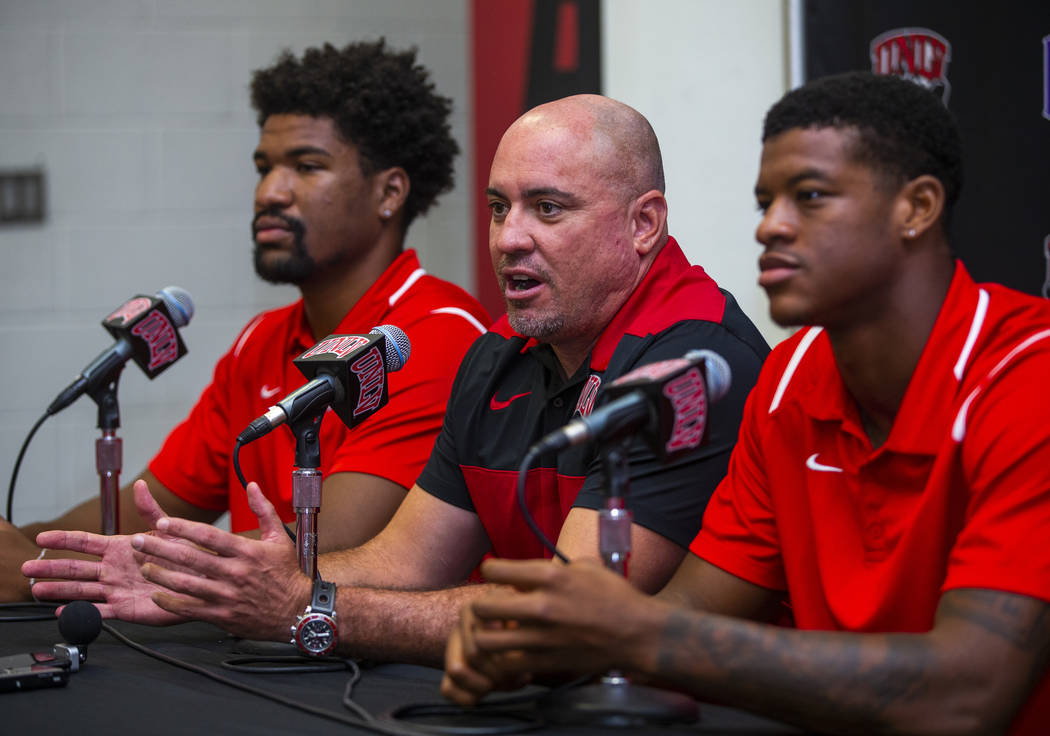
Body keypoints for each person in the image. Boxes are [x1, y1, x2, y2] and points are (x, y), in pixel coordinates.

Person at [26, 94, 768, 662]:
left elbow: (577, 611)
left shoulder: (691, 362)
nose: (510, 239)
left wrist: (307, 609)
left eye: (549, 209)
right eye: (499, 208)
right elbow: (408, 557)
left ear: (644, 225)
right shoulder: (499, 356)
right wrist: (211, 581)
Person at [440, 72, 1050, 735]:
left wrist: (631, 634)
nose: (770, 227)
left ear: (917, 207)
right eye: (766, 201)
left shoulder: (1028, 378)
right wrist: (540, 642)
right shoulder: (787, 380)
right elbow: (695, 616)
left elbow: (968, 693)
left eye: (809, 198)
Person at [3, 40, 490, 602]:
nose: (269, 193)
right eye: (264, 168)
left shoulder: (435, 333)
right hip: (256, 658)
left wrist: (36, 566)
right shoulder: (260, 342)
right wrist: (24, 542)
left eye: (306, 167)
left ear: (390, 192)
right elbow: (154, 507)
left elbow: (319, 549)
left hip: (377, 671)